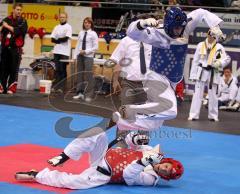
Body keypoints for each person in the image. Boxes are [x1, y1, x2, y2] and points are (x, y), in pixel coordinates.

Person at [111, 7, 224, 131]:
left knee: (155, 124)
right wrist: (142, 23)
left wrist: (215, 26)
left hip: (172, 80)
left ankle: (131, 138)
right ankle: (129, 111)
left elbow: (201, 12)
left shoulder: (184, 26)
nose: (179, 31)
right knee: (170, 110)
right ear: (168, 25)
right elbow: (131, 33)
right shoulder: (155, 33)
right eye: (176, 28)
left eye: (181, 28)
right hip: (157, 76)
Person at [15, 131, 184, 189]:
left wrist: (143, 162)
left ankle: (37, 175)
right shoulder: (152, 152)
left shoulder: (150, 179)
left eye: (167, 172)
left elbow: (128, 176)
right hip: (105, 155)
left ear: (165, 177)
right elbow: (128, 141)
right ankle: (64, 156)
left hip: (104, 173)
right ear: (165, 161)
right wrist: (137, 139)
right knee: (97, 132)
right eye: (167, 166)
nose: (164, 169)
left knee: (73, 183)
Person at [108, 36, 152, 147]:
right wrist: (115, 80)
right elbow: (118, 60)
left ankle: (143, 144)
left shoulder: (153, 40)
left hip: (148, 84)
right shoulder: (126, 40)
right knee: (125, 113)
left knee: (145, 115)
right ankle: (121, 143)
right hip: (129, 83)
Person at [188, 30, 231, 121]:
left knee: (213, 95)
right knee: (197, 94)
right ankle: (193, 115)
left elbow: (225, 59)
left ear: (216, 37)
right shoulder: (200, 45)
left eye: (213, 36)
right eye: (209, 35)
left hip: (213, 71)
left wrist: (219, 63)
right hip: (201, 71)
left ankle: (213, 116)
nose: (210, 37)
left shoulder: (219, 47)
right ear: (207, 34)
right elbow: (196, 60)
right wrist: (193, 75)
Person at [0, 3, 28, 94]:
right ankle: (1, 87)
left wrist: (6, 26)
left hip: (16, 49)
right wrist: (2, 26)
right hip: (4, 48)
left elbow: (17, 31)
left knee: (14, 69)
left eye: (20, 10)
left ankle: (11, 88)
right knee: (3, 68)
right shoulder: (6, 19)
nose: (19, 11)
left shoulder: (23, 21)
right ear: (13, 10)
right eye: (17, 9)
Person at [73, 17, 98, 102]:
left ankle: (89, 94)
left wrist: (86, 51)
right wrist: (75, 56)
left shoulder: (93, 34)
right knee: (79, 74)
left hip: (88, 57)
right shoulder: (81, 33)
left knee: (88, 75)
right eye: (85, 22)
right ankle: (79, 93)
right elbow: (77, 45)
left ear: (91, 24)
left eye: (88, 23)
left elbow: (96, 47)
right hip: (80, 56)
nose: (86, 24)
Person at [51, 12, 72, 93]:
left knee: (63, 69)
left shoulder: (68, 27)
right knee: (57, 69)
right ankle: (56, 86)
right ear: (59, 18)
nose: (62, 18)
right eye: (61, 17)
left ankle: (62, 87)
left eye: (64, 17)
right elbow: (52, 39)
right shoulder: (56, 27)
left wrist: (58, 40)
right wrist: (60, 40)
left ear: (66, 18)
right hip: (56, 51)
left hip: (64, 52)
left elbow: (66, 39)